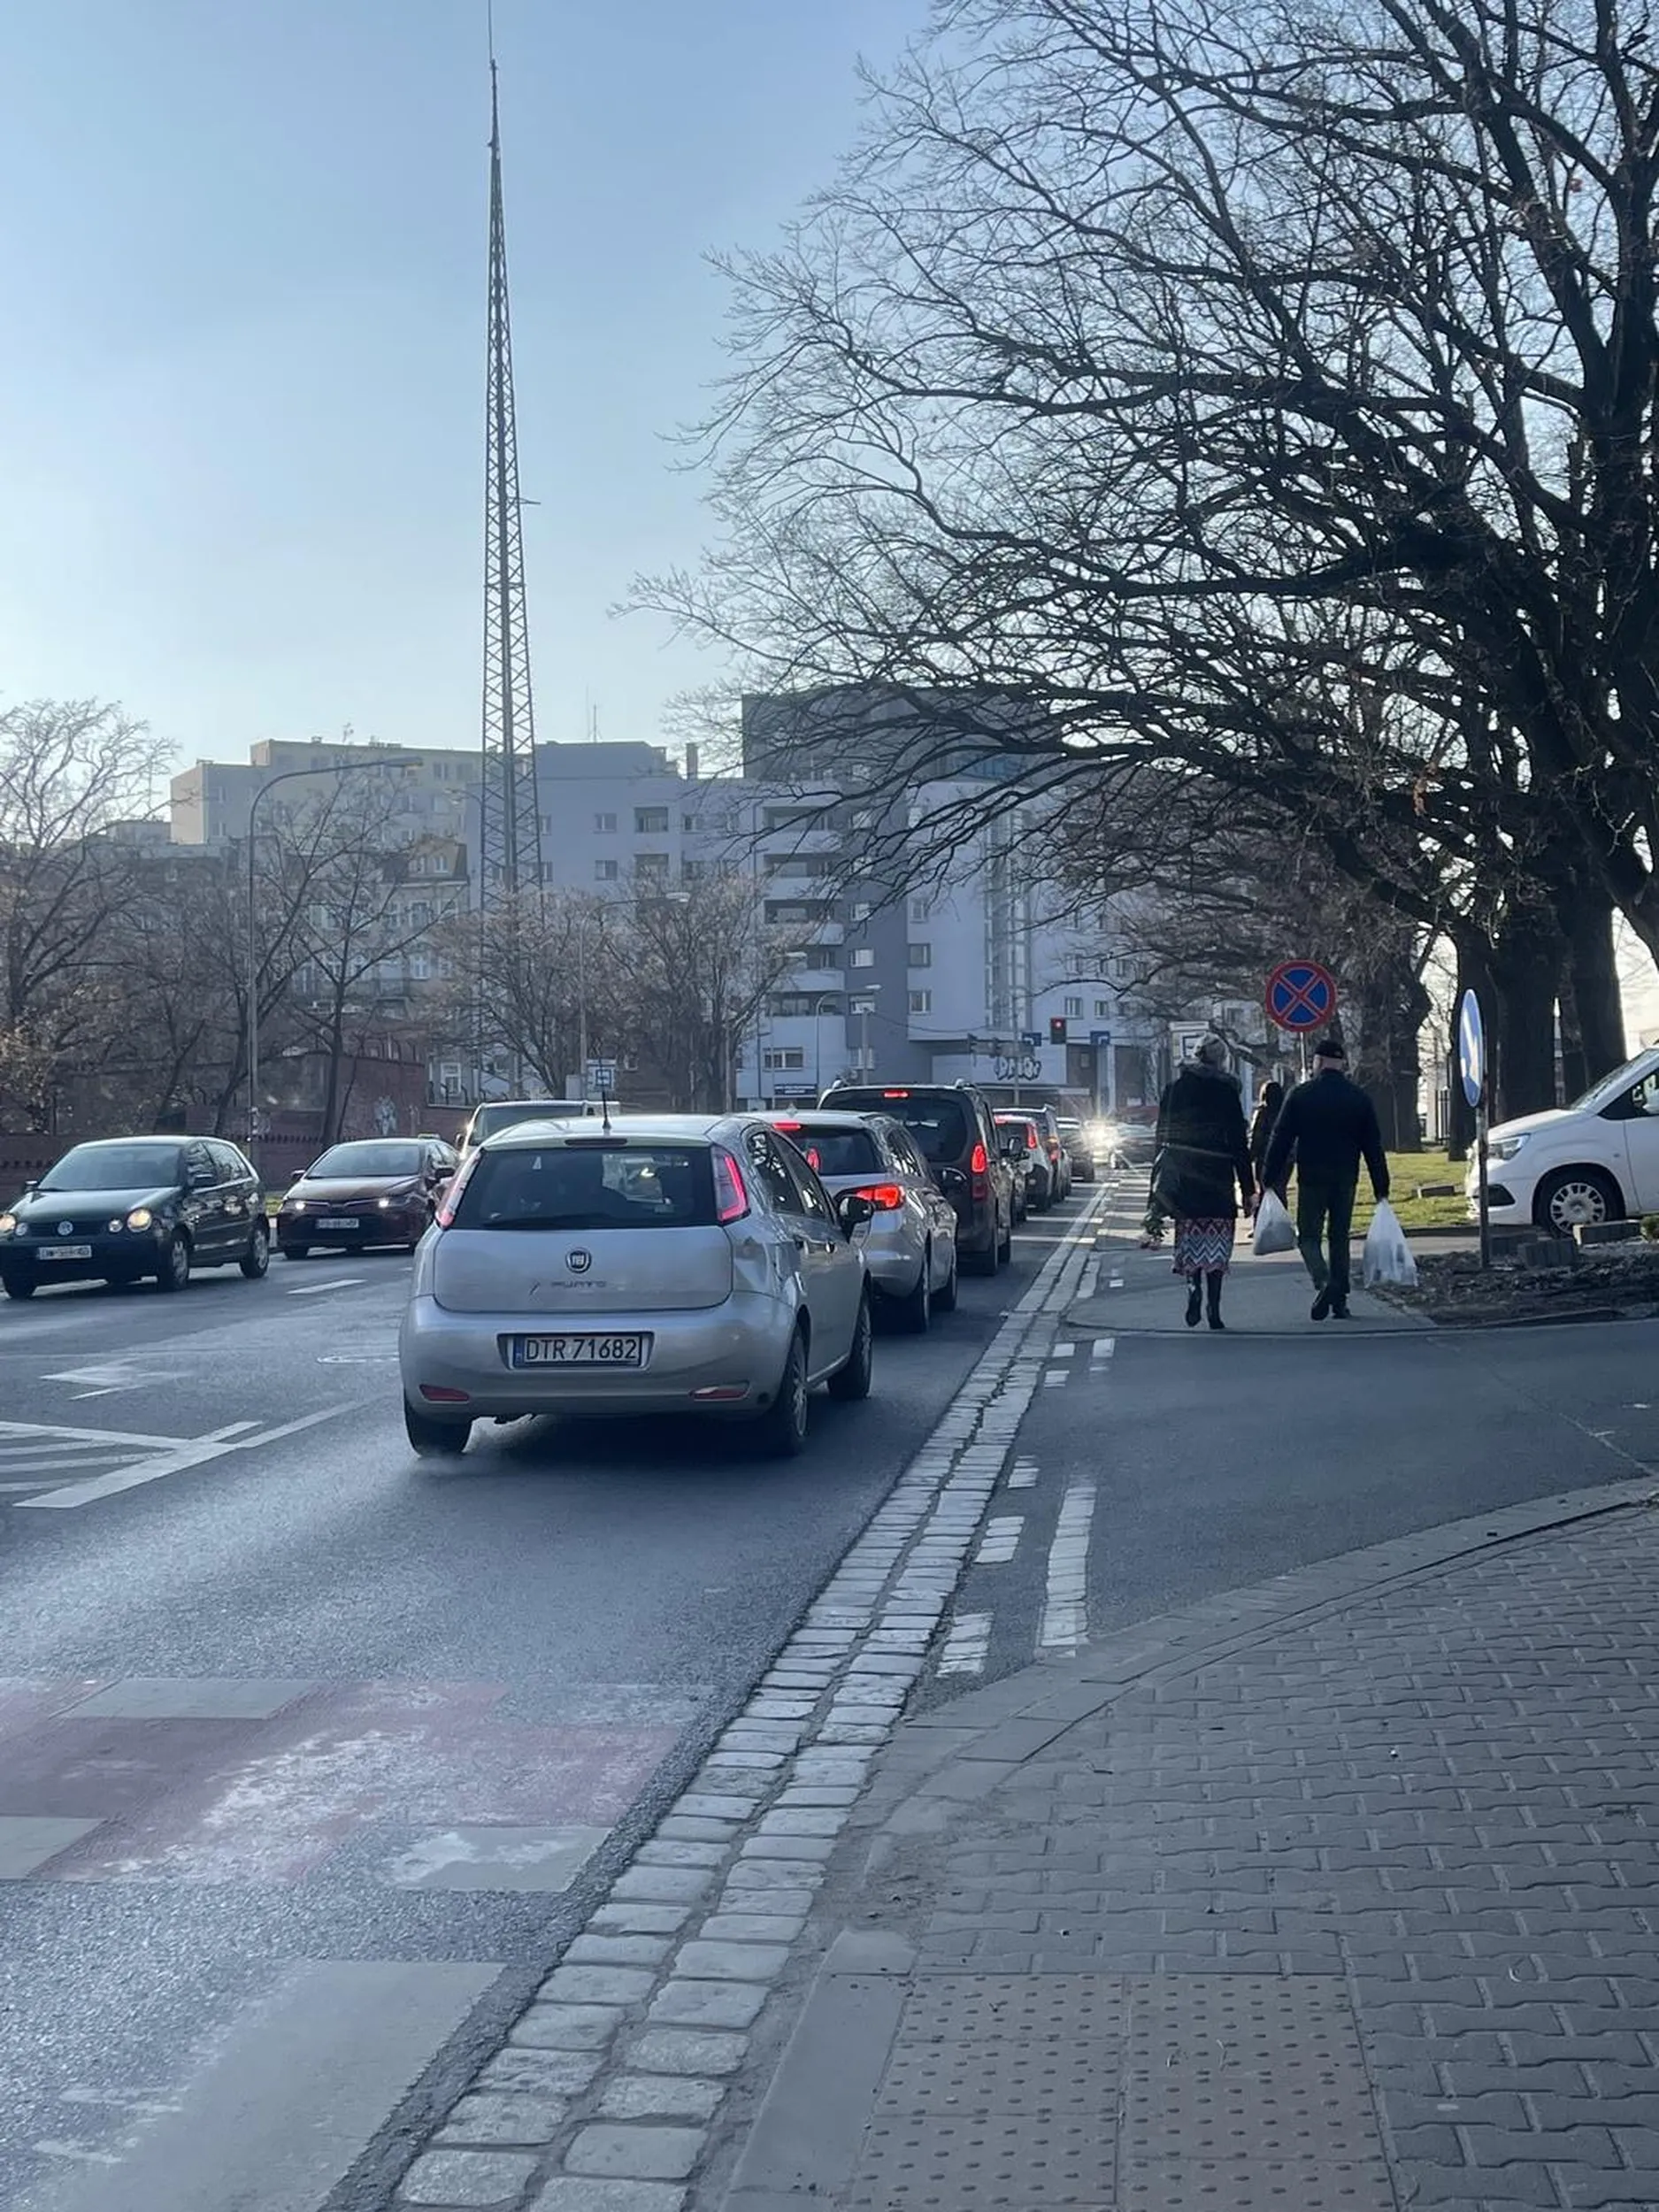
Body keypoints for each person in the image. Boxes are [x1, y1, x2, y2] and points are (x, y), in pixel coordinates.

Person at [1262, 1036, 1390, 1322]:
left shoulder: (1301, 1095)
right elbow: (1373, 1145)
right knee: (1338, 1236)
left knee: (1308, 1235)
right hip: (1346, 1176)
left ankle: (1324, 1281)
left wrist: (1268, 1177)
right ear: (1342, 1064)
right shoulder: (1358, 1098)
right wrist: (1382, 1185)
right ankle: (1340, 1301)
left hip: (1312, 1176)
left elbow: (1280, 1139)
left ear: (1317, 1063)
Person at [1149, 1035, 1255, 1331]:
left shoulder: (1174, 1089)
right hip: (1218, 1179)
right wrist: (1248, 1190)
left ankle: (1193, 1289)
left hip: (1184, 1181)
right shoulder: (1227, 1090)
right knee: (1217, 1248)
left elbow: (1162, 1142)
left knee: (1191, 1243)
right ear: (1221, 1059)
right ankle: (1214, 1307)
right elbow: (1238, 1144)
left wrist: (1155, 1194)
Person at [1248, 1079, 1285, 1192]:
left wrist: (1251, 1155)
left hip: (1265, 1156)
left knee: (1264, 1189)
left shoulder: (1262, 1113)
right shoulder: (1284, 1112)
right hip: (1284, 1158)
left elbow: (1257, 1136)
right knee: (1280, 1189)